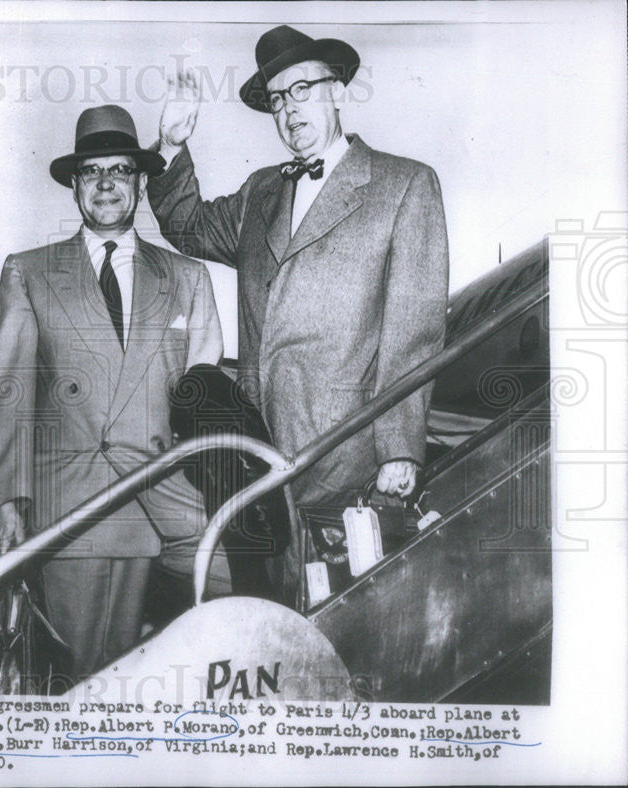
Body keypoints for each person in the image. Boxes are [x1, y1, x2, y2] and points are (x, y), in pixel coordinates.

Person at [147, 26, 449, 605]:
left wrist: (400, 449)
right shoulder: (261, 192)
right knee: (277, 624)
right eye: (277, 100)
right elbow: (186, 225)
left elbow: (414, 332)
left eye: (301, 90)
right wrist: (171, 144)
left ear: (337, 90)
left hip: (349, 456)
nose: (288, 111)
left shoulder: (403, 184)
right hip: (263, 455)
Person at [0, 104, 225, 679]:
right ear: (74, 185)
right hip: (71, 503)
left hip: (161, 500)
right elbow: (10, 393)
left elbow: (206, 393)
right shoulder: (29, 270)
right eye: (92, 172)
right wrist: (8, 498)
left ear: (142, 182)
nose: (106, 184)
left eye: (120, 170)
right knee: (73, 678)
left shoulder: (189, 278)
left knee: (144, 674)